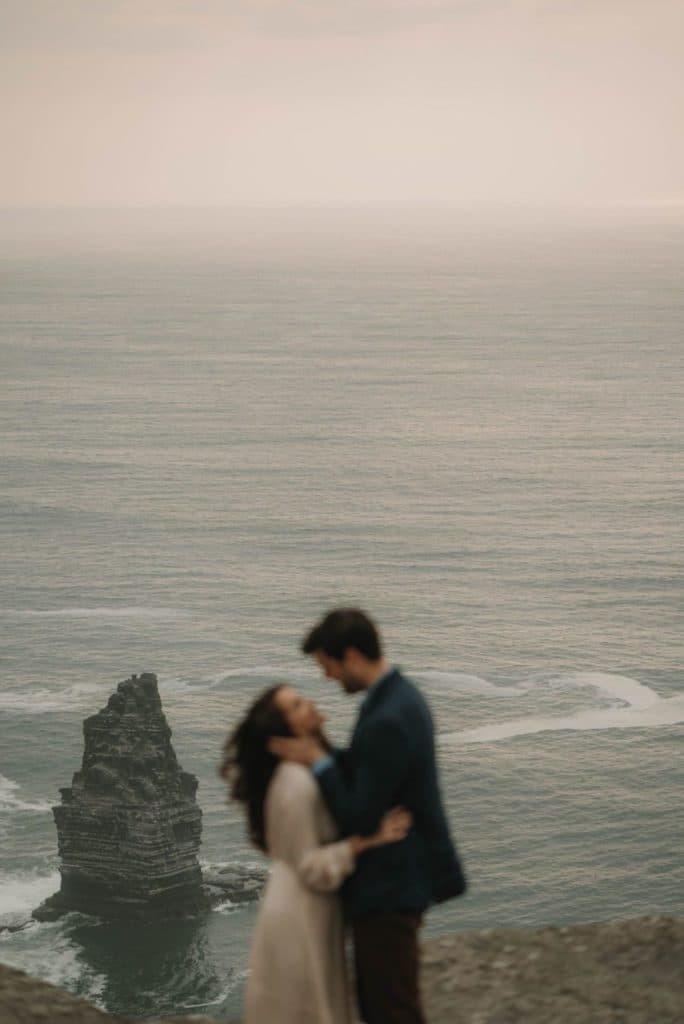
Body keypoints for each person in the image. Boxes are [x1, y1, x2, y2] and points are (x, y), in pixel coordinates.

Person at [269, 608, 466, 1024]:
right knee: (388, 1005)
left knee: (390, 1012)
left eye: (328, 666)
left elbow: (358, 814)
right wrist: (321, 751)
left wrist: (320, 763)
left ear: (352, 656)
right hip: (399, 880)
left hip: (389, 887)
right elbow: (369, 769)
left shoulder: (387, 718)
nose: (328, 678)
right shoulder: (398, 697)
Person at [220, 682, 412, 1024]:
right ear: (286, 728)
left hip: (304, 906)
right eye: (296, 705)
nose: (308, 703)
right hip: (300, 914)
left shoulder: (307, 769)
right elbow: (310, 867)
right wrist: (367, 841)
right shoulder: (297, 783)